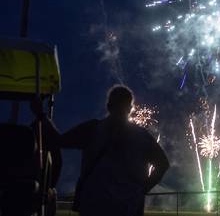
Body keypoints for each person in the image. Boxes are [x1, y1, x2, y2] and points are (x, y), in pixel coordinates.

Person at [44, 85, 169, 216]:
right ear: (130, 109)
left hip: (94, 205)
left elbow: (59, 141)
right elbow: (163, 164)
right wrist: (142, 189)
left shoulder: (92, 129)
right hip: (129, 207)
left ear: (109, 106)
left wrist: (43, 116)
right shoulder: (143, 136)